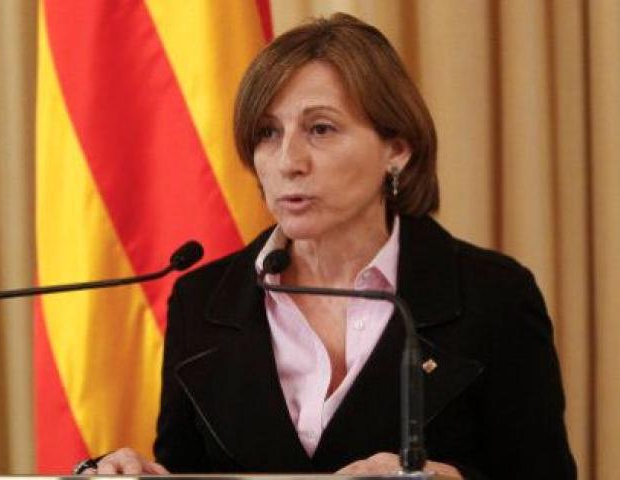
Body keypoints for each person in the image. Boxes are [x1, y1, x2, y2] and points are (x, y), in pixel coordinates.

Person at [80, 13, 576, 479]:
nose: (288, 161)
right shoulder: (204, 300)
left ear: (396, 149)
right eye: (268, 133)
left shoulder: (494, 296)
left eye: (320, 128)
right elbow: (186, 470)